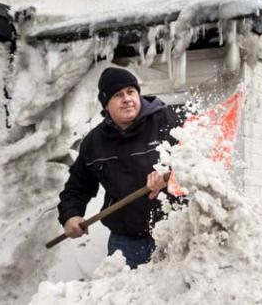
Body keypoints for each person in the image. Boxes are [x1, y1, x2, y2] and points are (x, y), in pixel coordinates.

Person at [57, 67, 181, 269]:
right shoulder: (95, 143)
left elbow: (197, 160)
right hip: (127, 241)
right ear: (106, 104)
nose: (127, 99)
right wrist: (70, 215)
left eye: (131, 92)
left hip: (175, 233)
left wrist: (169, 174)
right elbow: (77, 186)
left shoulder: (167, 120)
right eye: (118, 95)